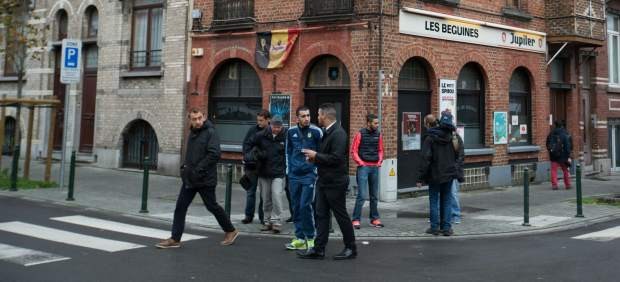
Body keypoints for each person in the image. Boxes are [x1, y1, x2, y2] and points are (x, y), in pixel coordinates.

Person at [156, 108, 238, 248]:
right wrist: (185, 168)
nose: (198, 121)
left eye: (200, 118)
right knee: (180, 207)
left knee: (212, 206)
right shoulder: (192, 132)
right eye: (194, 119)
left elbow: (214, 154)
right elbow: (192, 154)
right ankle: (175, 239)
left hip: (205, 179)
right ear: (190, 119)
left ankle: (231, 230)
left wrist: (198, 169)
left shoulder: (210, 132)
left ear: (204, 117)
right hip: (190, 178)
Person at [298, 103, 357, 260]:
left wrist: (316, 155)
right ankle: (319, 249)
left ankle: (351, 248)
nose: (317, 118)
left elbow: (337, 158)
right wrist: (314, 160)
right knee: (321, 214)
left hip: (335, 181)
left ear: (325, 115)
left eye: (318, 115)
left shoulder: (339, 133)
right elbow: (327, 157)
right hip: (323, 180)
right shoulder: (327, 132)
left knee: (340, 214)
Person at [416, 111, 460, 236]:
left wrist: (420, 177)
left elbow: (425, 159)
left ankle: (434, 227)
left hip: (434, 174)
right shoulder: (452, 137)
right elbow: (458, 155)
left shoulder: (430, 138)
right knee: (446, 200)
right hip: (449, 174)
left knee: (434, 200)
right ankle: (446, 228)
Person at [285, 106, 323, 250]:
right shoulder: (290, 132)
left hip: (309, 175)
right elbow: (287, 152)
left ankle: (311, 238)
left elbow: (321, 153)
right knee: (295, 207)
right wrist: (288, 171)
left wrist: (316, 170)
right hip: (294, 175)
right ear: (297, 118)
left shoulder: (316, 131)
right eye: (303, 116)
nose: (306, 118)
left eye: (308, 115)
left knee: (305, 206)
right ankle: (300, 238)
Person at [251, 115, 288, 233]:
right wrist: (255, 155)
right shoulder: (260, 135)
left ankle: (277, 221)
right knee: (266, 198)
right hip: (264, 172)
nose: (277, 129)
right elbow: (250, 146)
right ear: (270, 125)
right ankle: (267, 222)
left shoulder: (286, 136)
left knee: (276, 196)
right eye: (274, 126)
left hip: (279, 172)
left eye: (279, 127)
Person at [350, 113, 384, 229]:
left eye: (378, 123)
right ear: (369, 123)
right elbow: (353, 151)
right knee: (362, 195)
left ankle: (374, 219)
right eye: (375, 123)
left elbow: (380, 150)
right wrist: (361, 163)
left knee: (374, 195)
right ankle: (355, 219)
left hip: (375, 167)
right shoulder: (360, 134)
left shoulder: (378, 134)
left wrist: (379, 161)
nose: (377, 125)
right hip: (363, 167)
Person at [241, 110, 270, 224]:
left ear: (268, 120)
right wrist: (248, 156)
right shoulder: (252, 130)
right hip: (251, 166)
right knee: (250, 192)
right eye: (258, 120)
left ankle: (263, 217)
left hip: (265, 166)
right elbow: (245, 145)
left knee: (264, 194)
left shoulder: (270, 131)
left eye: (261, 121)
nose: (259, 123)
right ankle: (249, 216)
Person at [546, 120, 573, 190]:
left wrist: (551, 151)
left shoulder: (551, 133)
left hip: (553, 156)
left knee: (554, 170)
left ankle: (554, 185)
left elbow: (547, 144)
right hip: (563, 156)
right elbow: (568, 146)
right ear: (562, 126)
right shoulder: (565, 134)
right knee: (565, 170)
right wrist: (568, 156)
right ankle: (567, 185)